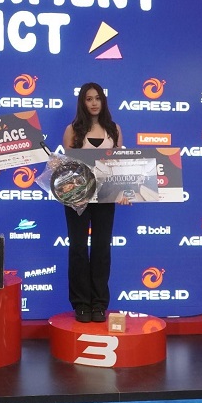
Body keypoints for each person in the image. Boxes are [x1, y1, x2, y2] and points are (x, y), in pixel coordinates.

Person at [62, 82, 128, 323]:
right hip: (77, 197)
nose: (94, 103)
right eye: (89, 98)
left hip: (106, 198)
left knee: (101, 249)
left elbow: (120, 166)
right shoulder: (72, 130)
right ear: (82, 102)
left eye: (97, 98)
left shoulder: (114, 129)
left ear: (103, 101)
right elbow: (66, 167)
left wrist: (124, 192)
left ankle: (99, 304)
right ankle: (81, 304)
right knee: (78, 249)